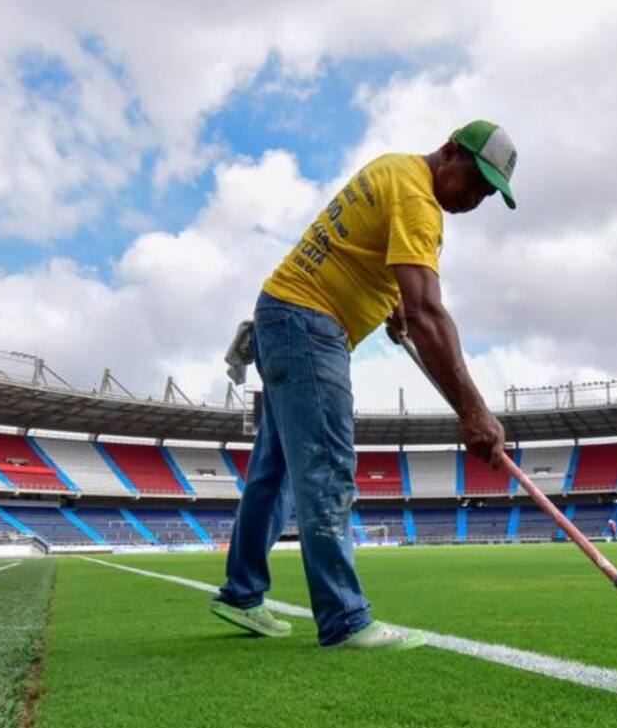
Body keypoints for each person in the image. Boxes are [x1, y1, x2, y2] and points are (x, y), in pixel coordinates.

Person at [212, 120, 516, 651]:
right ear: (449, 153)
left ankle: (241, 593)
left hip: (279, 317)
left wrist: (390, 305)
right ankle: (345, 619)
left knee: (275, 470)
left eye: (490, 192)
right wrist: (474, 410)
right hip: (309, 324)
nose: (477, 198)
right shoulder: (419, 202)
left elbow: (363, 251)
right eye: (477, 181)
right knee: (327, 467)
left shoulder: (393, 167)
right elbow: (429, 313)